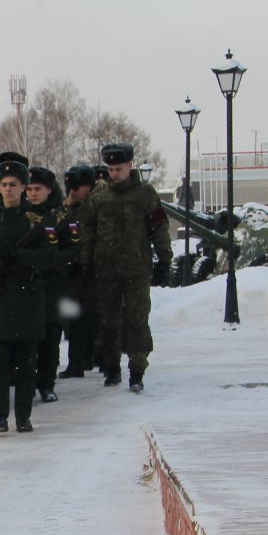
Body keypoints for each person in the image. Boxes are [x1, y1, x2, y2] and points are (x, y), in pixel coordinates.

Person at [0, 160, 58, 432]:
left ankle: (24, 416)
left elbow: (51, 258)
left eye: (13, 185)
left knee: (28, 365)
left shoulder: (37, 222)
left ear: (24, 187)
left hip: (28, 300)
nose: (8, 189)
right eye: (3, 185)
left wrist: (22, 257)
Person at [73, 143, 171, 392]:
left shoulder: (146, 195)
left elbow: (159, 228)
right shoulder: (99, 198)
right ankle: (112, 368)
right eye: (110, 168)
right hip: (106, 271)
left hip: (137, 270)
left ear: (130, 166)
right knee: (107, 322)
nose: (114, 173)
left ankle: (137, 369)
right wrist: (85, 262)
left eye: (118, 168)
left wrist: (165, 259)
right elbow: (88, 233)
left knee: (137, 321)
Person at [22, 166, 79, 404]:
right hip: (24, 284)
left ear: (49, 189)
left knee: (49, 339)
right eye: (30, 189)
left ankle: (46, 383)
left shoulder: (62, 217)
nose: (33, 194)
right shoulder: (18, 215)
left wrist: (50, 260)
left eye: (38, 189)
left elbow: (74, 251)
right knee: (26, 340)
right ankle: (25, 381)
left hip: (52, 284)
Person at [58, 165, 98, 377]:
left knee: (92, 319)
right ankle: (77, 362)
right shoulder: (66, 209)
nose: (73, 190)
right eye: (70, 186)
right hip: (72, 271)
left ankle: (92, 359)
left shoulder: (96, 207)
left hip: (93, 270)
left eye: (78, 186)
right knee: (74, 320)